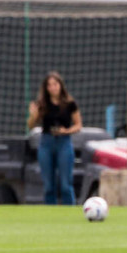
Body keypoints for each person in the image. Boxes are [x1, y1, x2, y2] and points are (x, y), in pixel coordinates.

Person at [27, 71, 83, 206]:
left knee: (65, 184)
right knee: (48, 186)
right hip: (46, 143)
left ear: (60, 85)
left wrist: (66, 131)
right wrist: (34, 115)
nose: (53, 87)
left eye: (55, 84)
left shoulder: (70, 103)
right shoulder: (42, 104)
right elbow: (30, 125)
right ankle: (50, 214)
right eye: (49, 85)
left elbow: (78, 125)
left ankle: (69, 211)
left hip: (64, 143)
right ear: (46, 88)